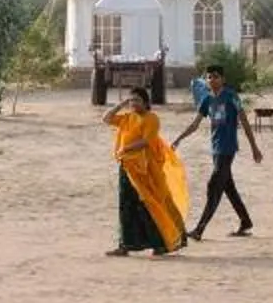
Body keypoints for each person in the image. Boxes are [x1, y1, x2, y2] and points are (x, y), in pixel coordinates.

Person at [106, 89, 191, 257]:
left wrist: (126, 148)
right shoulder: (128, 117)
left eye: (137, 100)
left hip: (146, 169)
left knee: (151, 203)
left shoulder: (151, 118)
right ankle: (126, 244)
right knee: (127, 206)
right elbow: (106, 118)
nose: (133, 104)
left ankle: (164, 243)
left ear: (146, 102)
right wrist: (121, 104)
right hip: (128, 167)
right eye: (131, 101)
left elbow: (146, 141)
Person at [178, 70, 261, 239]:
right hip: (215, 149)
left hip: (228, 148)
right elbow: (195, 124)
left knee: (213, 185)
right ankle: (245, 221)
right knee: (228, 187)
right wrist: (179, 139)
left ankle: (199, 230)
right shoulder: (206, 100)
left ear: (223, 79)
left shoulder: (231, 96)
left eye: (216, 76)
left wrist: (254, 147)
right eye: (209, 77)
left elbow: (243, 119)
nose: (212, 80)